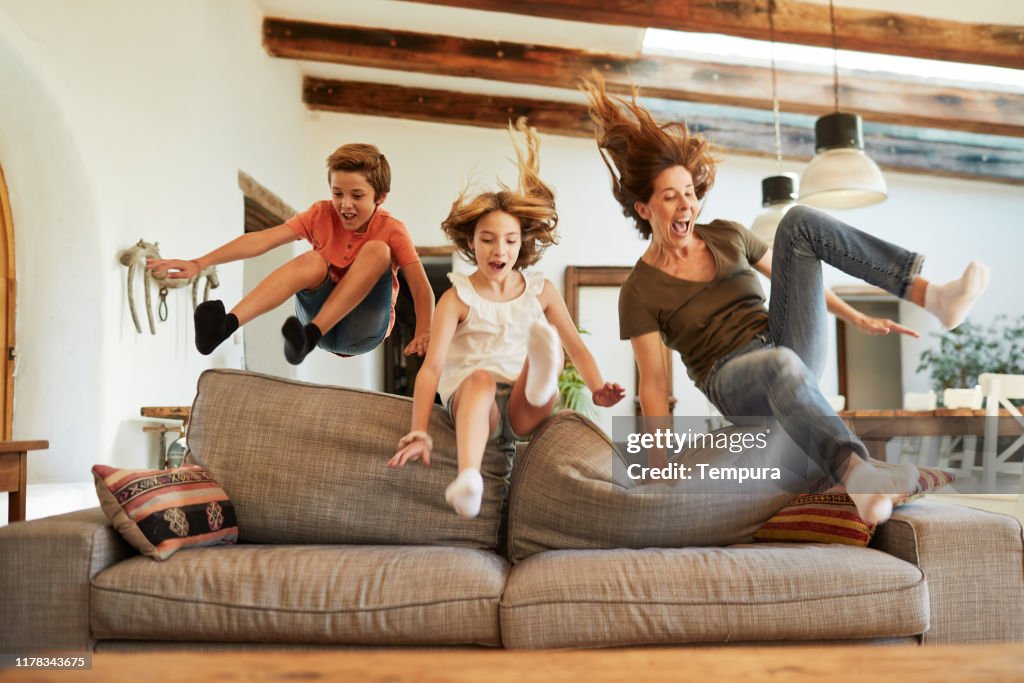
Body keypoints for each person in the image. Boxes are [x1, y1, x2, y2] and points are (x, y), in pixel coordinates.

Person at [581, 74, 990, 525]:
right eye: (670, 197)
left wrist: (855, 317)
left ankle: (928, 294)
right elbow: (654, 387)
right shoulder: (639, 289)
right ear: (645, 209)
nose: (686, 206)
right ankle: (859, 473)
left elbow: (798, 282)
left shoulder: (728, 234)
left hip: (782, 340)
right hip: (732, 380)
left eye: (691, 194)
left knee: (798, 222)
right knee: (780, 364)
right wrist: (656, 475)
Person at [388, 118, 625, 518]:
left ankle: (541, 366)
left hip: (521, 406)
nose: (499, 250)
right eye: (487, 240)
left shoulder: (540, 290)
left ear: (522, 244)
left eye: (510, 241)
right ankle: (469, 479)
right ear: (470, 243)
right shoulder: (457, 297)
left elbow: (577, 345)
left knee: (541, 365)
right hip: (475, 404)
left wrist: (598, 386)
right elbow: (430, 371)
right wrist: (420, 429)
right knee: (479, 378)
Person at [146, 144, 434, 364]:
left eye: (357, 196)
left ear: (380, 198)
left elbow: (422, 288)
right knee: (313, 260)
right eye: (338, 193)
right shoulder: (320, 214)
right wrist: (199, 263)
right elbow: (263, 239)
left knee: (377, 251)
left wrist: (423, 331)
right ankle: (226, 327)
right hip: (317, 320)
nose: (345, 205)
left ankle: (309, 337)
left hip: (362, 330)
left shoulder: (391, 229)